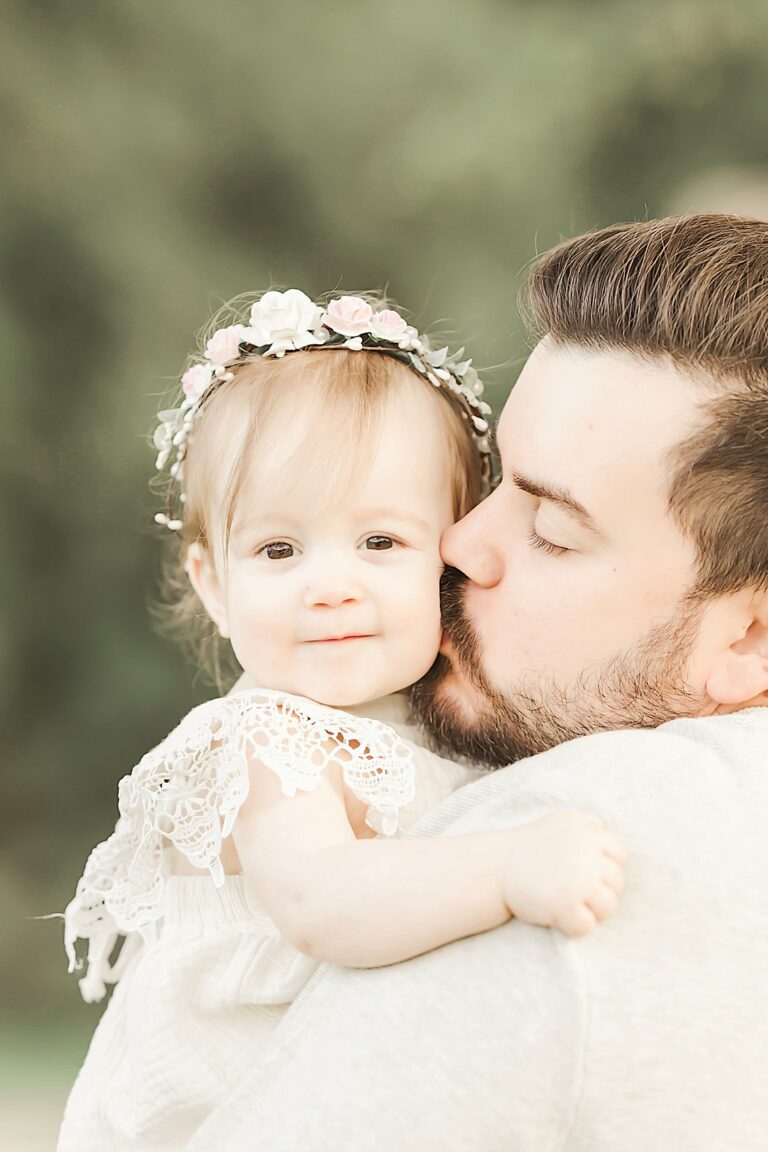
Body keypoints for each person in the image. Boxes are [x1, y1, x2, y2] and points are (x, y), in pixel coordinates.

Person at [186, 215, 768, 1152]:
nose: (457, 543)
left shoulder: (582, 834)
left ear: (751, 635)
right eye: (493, 483)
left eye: (554, 531)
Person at [57, 290, 626, 1151]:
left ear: (453, 550)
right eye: (279, 550)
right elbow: (326, 904)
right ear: (215, 583)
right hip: (213, 1117)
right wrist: (509, 866)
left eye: (381, 543)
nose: (331, 585)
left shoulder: (446, 716)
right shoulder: (260, 742)